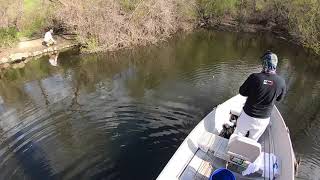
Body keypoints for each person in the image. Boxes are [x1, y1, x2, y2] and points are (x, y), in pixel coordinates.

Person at [234, 51, 286, 141]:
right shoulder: (281, 82)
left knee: (237, 137)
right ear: (275, 64)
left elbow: (242, 92)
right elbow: (279, 99)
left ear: (264, 63)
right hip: (263, 120)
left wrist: (252, 92)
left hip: (247, 116)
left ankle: (231, 154)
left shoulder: (254, 77)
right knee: (252, 141)